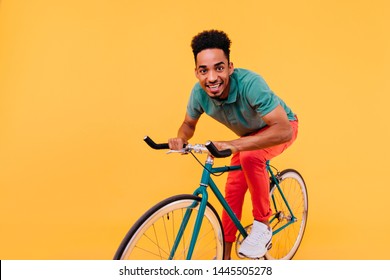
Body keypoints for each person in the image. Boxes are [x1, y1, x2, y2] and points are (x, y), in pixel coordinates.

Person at [168, 30, 298, 260]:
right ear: (196, 72)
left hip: (281, 127)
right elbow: (188, 124)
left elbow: (284, 129)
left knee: (250, 158)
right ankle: (225, 260)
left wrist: (235, 144)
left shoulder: (251, 84)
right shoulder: (199, 93)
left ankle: (262, 226)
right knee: (232, 193)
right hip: (248, 137)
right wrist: (181, 138)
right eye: (203, 70)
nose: (211, 78)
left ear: (230, 67)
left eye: (219, 68)